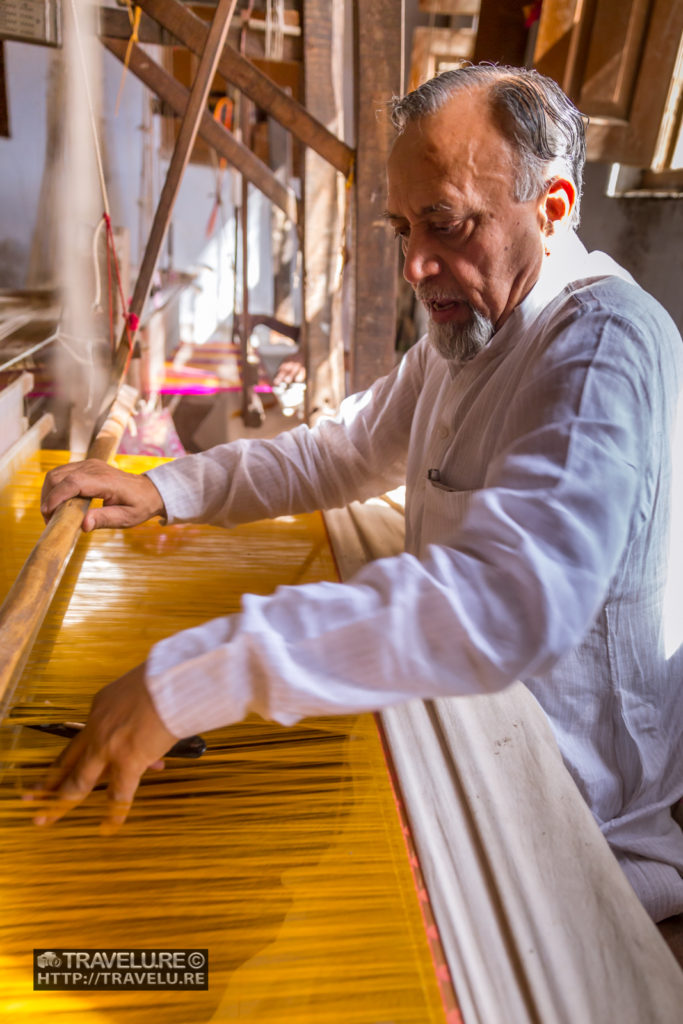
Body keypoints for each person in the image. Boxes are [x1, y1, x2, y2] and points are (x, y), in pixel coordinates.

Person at [35, 64, 683, 922]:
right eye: (403, 227)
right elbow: (337, 453)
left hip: (575, 817)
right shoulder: (463, 338)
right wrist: (166, 491)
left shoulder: (598, 346)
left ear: (553, 207)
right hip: (472, 739)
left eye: (445, 223)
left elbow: (509, 600)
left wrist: (189, 680)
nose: (416, 264)